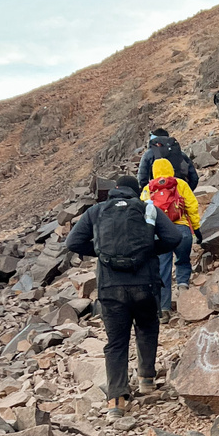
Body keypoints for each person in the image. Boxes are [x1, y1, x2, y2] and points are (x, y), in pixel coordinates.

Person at [65, 175, 183, 418]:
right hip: (145, 284)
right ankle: (146, 379)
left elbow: (73, 242)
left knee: (116, 342)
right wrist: (150, 249)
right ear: (135, 191)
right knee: (147, 327)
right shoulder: (148, 208)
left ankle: (116, 401)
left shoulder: (96, 212)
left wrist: (99, 251)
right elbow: (174, 237)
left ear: (114, 191)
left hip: (111, 287)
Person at [140, 158, 202, 320]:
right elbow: (192, 206)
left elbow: (143, 213)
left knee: (162, 269)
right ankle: (183, 290)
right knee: (182, 260)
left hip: (160, 234)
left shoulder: (148, 188)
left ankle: (164, 309)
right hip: (181, 229)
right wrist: (196, 228)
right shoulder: (180, 184)